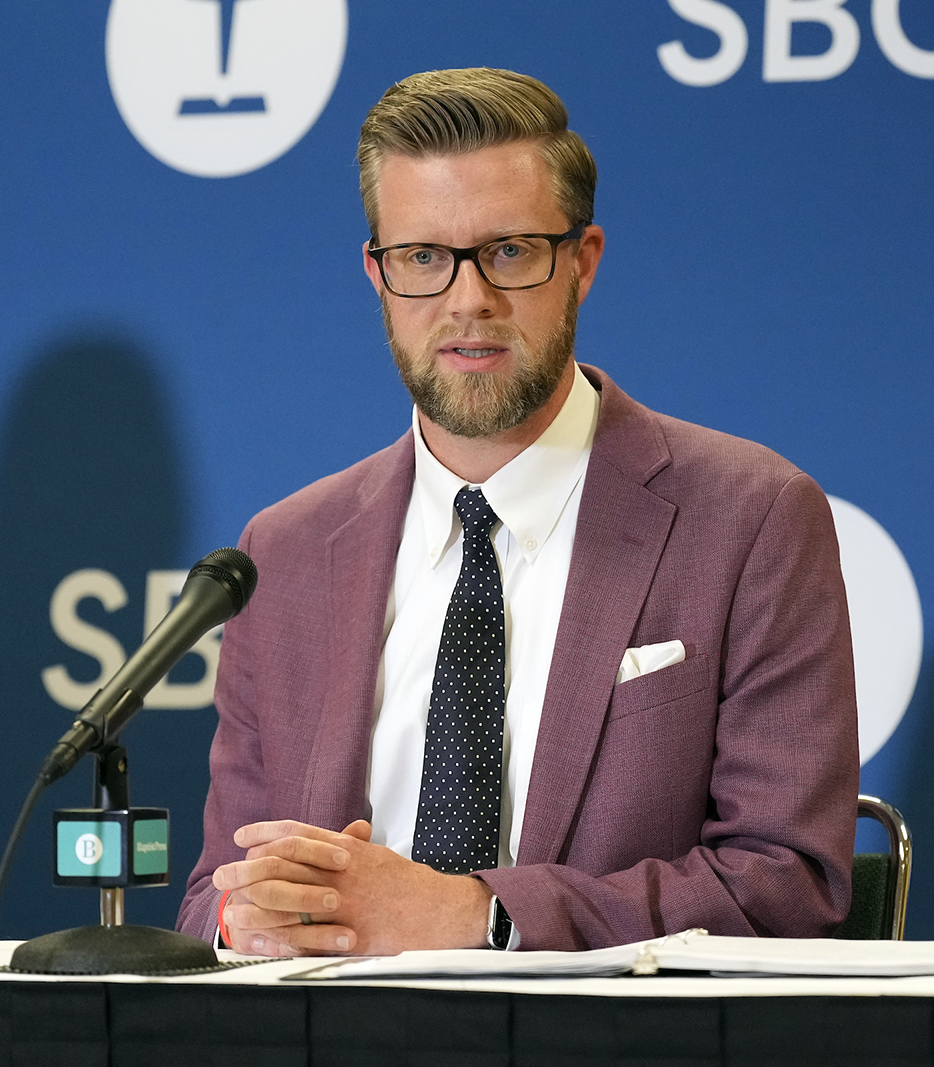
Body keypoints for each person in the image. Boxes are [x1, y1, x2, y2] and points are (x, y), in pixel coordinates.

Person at [176, 68, 859, 956]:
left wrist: (480, 916)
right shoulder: (288, 549)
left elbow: (790, 884)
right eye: (423, 257)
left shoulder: (751, 518)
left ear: (582, 262)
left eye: (509, 251)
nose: (468, 301)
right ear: (378, 277)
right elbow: (208, 898)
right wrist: (246, 914)